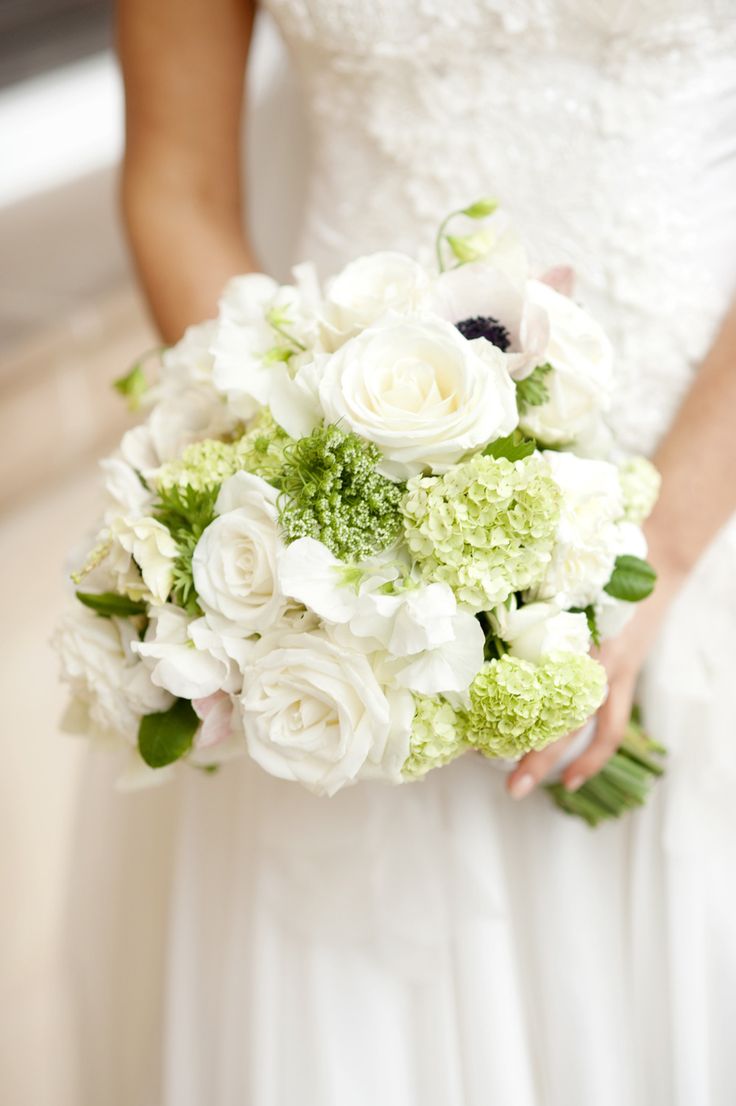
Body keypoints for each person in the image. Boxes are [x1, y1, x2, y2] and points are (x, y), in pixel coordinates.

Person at [68, 1, 736, 1103]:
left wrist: (654, 552)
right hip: (333, 520)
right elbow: (177, 182)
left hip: (703, 474)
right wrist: (306, 519)